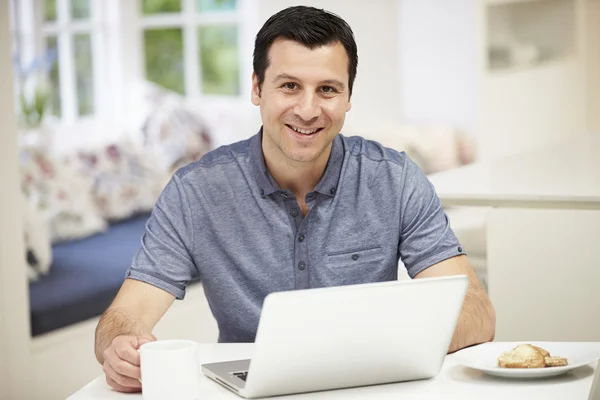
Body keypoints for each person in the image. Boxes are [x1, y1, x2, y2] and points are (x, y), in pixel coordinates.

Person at [95, 5, 496, 393]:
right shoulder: (195, 192)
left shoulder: (395, 179)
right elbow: (124, 317)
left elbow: (477, 313)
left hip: (369, 386)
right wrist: (122, 348)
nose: (308, 110)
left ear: (348, 97)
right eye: (289, 86)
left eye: (327, 89)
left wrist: (387, 342)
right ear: (257, 87)